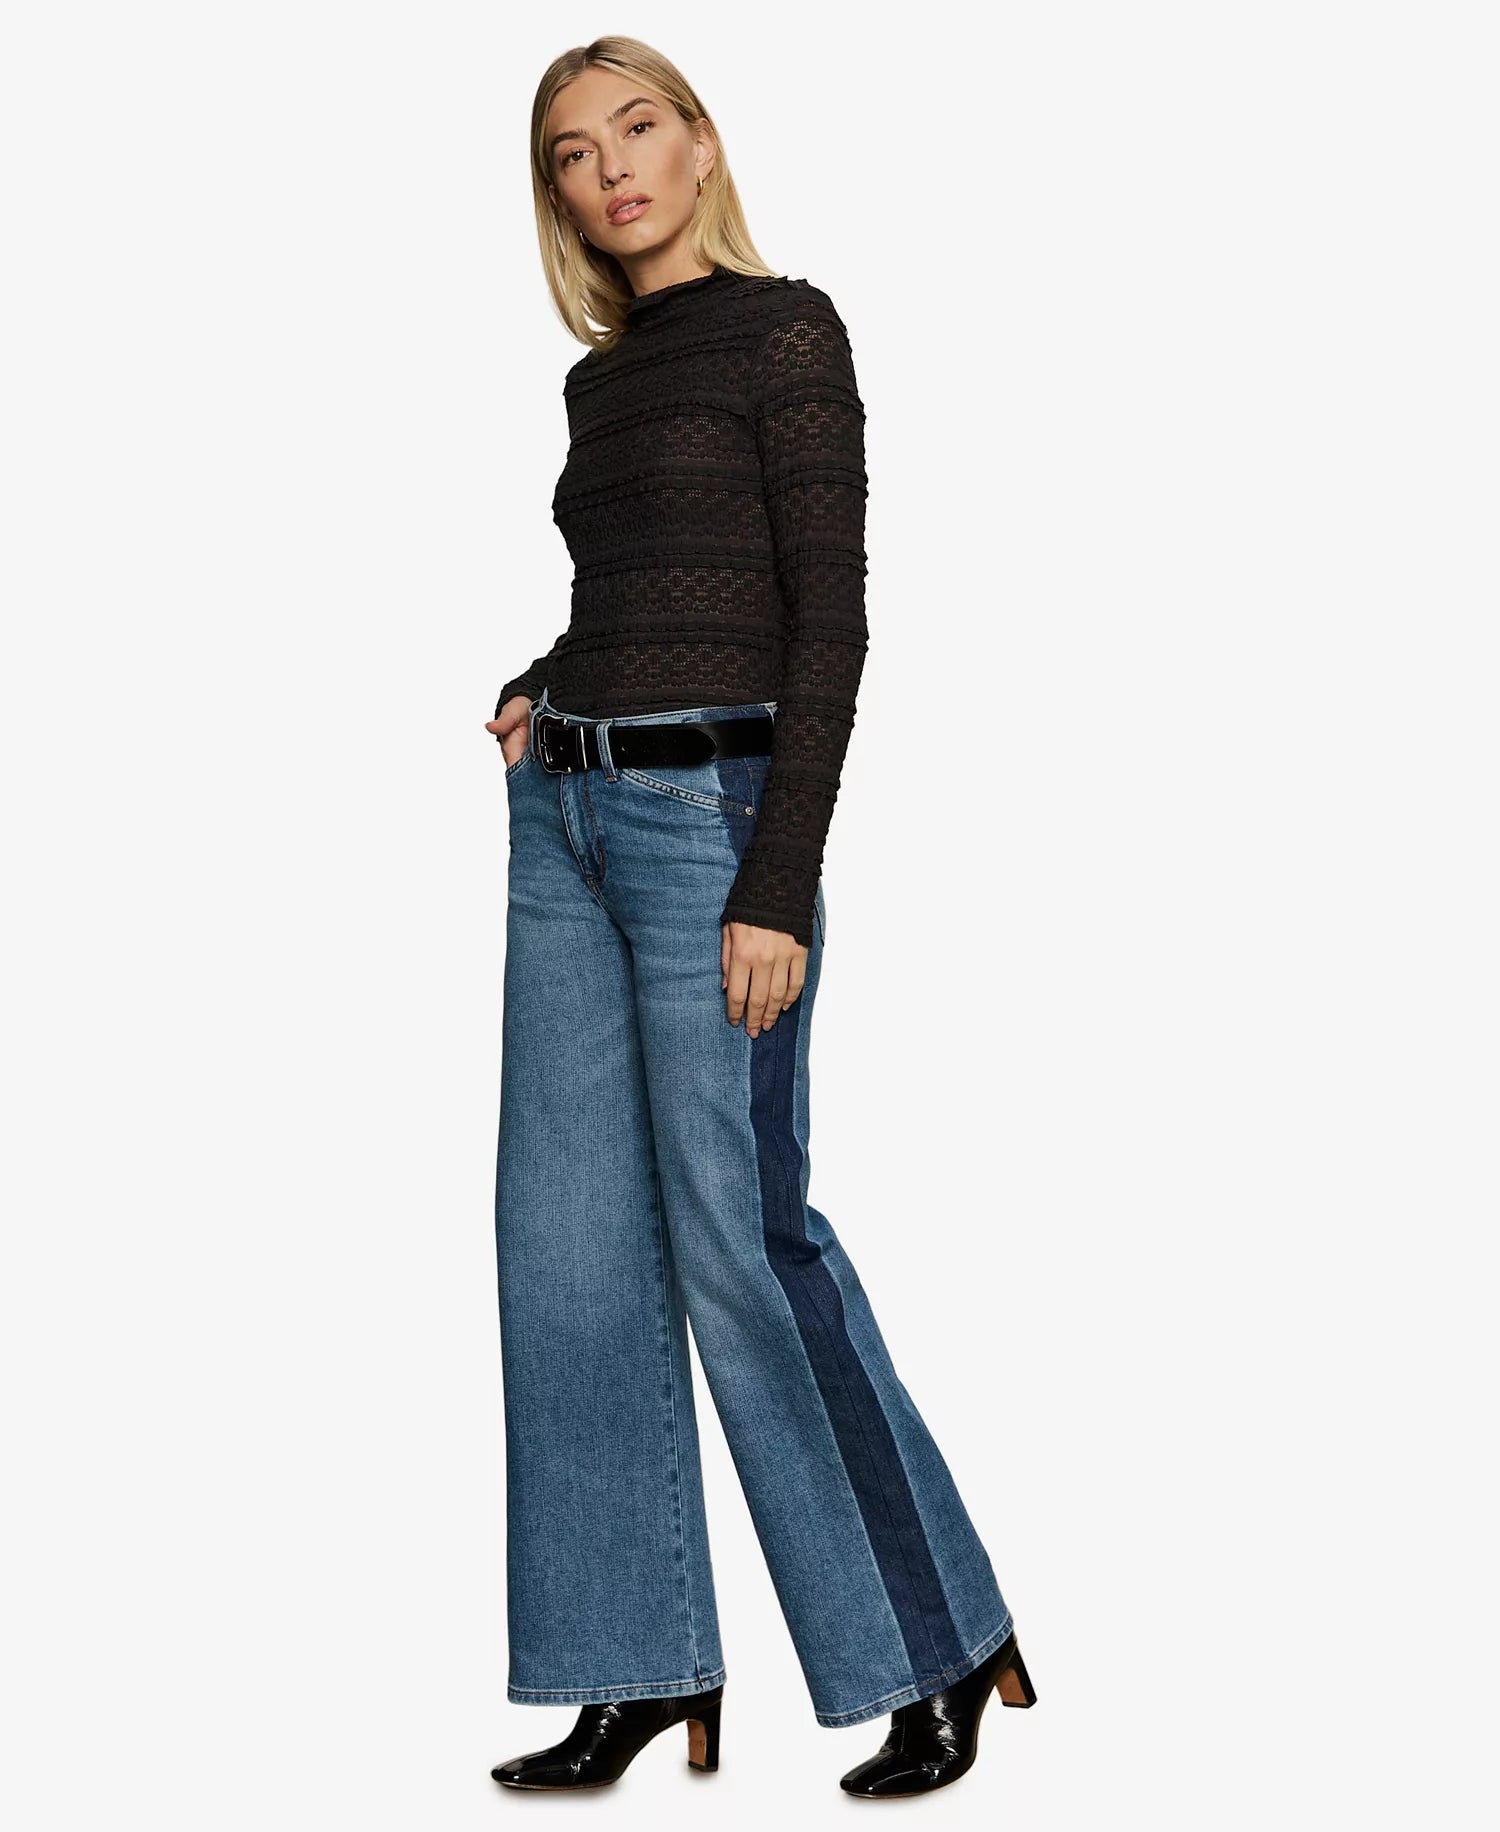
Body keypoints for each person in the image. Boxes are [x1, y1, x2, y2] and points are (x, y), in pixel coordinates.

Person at [484, 36, 1036, 1798]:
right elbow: (646, 587)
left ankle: (936, 1644)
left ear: (704, 145)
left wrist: (776, 880)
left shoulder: (788, 332)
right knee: (566, 1254)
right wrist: (542, 684)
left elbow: (825, 620)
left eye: (639, 128)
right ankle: (633, 1667)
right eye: (573, 154)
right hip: (566, 817)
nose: (611, 170)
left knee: (747, 1243)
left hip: (708, 825)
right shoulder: (604, 379)